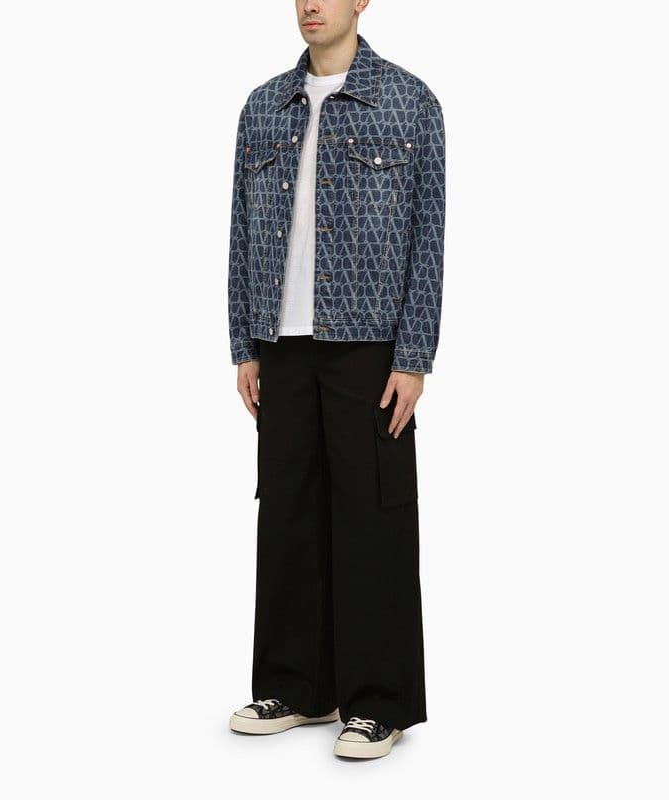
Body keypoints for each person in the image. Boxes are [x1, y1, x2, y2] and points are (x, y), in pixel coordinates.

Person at [226, 0, 445, 759]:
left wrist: (414, 356)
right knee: (287, 512)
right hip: (279, 344)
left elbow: (429, 234)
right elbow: (240, 229)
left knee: (373, 517)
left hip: (370, 343)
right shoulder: (263, 106)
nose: (310, 4)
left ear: (362, 1)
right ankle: (297, 687)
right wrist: (244, 344)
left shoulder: (410, 102)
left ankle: (379, 701)